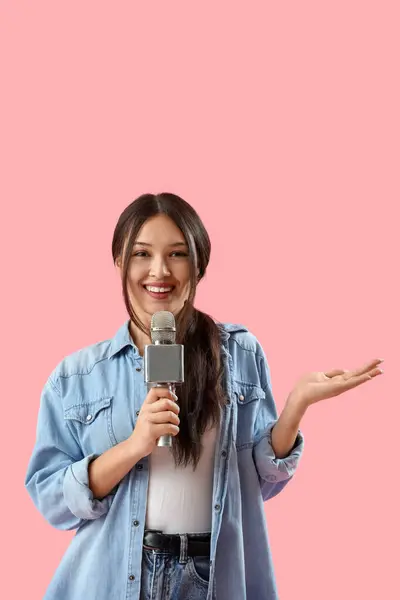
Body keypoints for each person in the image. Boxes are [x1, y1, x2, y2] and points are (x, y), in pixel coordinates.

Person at [25, 192, 383, 600]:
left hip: (215, 575)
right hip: (117, 578)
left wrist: (296, 405)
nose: (159, 270)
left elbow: (262, 482)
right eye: (142, 254)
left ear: (199, 264)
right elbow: (52, 501)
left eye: (177, 254)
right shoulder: (76, 377)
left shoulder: (238, 353)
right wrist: (133, 447)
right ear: (120, 262)